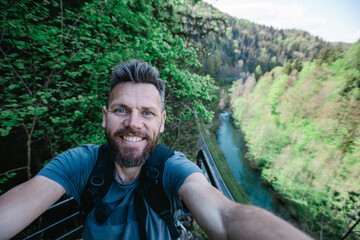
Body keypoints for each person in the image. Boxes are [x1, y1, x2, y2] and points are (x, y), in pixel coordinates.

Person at [0, 60, 312, 240]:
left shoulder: (172, 169)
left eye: (147, 113)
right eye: (121, 110)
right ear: (104, 117)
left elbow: (226, 216)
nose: (133, 123)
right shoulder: (79, 164)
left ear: (162, 123)